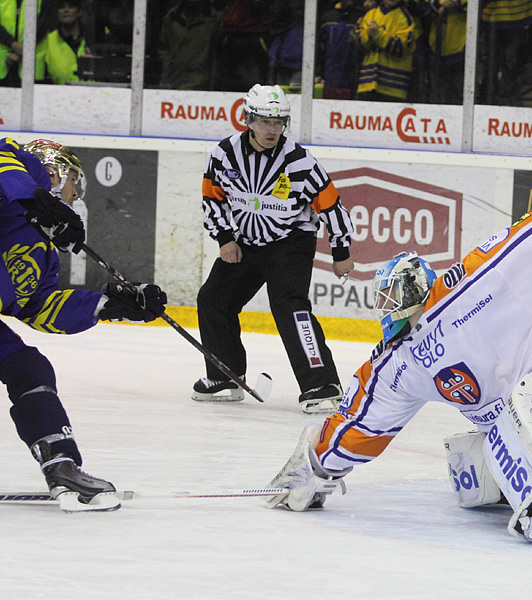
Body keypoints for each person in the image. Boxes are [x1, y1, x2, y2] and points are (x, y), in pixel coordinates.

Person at [266, 130, 532, 545]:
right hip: (500, 410)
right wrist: (317, 466)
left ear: (418, 289)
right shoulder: (397, 363)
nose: (388, 307)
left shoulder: (463, 293)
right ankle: (524, 472)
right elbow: (363, 422)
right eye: (383, 299)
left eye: (394, 295)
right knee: (484, 479)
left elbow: (520, 243)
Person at [0, 137, 167, 511]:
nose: (76, 196)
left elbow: (40, 308)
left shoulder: (41, 250)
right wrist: (34, 199)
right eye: (74, 182)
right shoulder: (16, 171)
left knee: (29, 369)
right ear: (54, 173)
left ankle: (61, 466)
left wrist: (110, 304)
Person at [193, 84, 354, 414]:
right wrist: (225, 238)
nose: (272, 130)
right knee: (213, 298)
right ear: (249, 119)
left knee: (290, 307)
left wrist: (341, 251)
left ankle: (322, 384)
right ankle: (226, 374)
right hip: (247, 241)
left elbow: (331, 205)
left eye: (279, 122)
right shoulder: (225, 155)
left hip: (291, 243)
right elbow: (212, 197)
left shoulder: (299, 161)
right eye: (265, 122)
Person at [356, 0, 420, 101]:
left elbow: (400, 48)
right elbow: (358, 42)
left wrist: (378, 35)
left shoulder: (405, 18)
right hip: (367, 84)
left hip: (393, 88)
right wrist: (368, 34)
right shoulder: (370, 14)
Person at [157, 0, 222, 90]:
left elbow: (221, 54)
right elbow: (163, 47)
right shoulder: (172, 17)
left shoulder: (216, 21)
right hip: (173, 83)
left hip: (202, 87)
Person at [39, 0, 91, 85]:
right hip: (57, 94)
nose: (66, 10)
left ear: (79, 12)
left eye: (71, 7)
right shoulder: (48, 39)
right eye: (61, 7)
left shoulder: (91, 40)